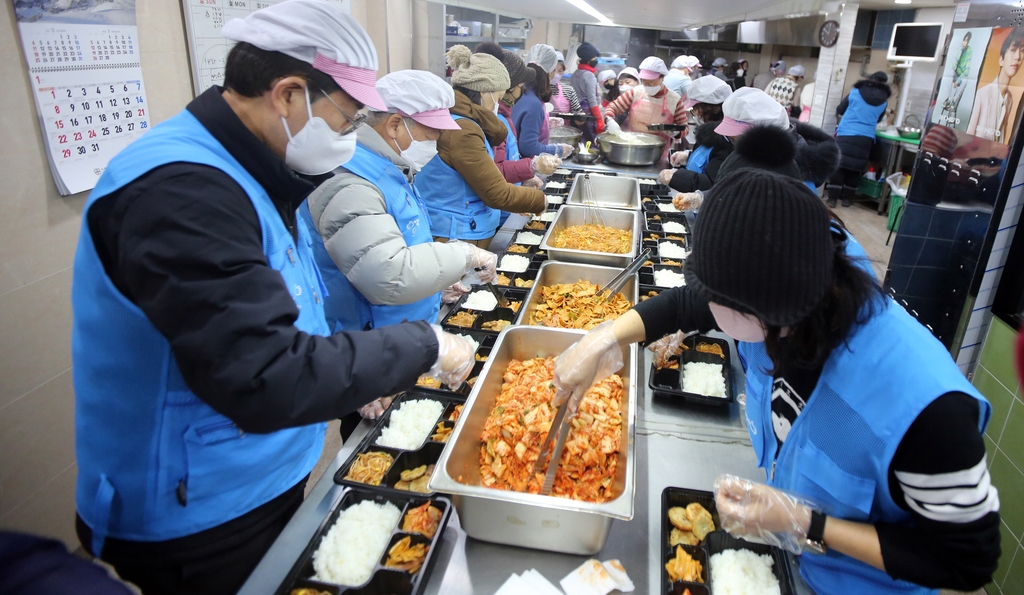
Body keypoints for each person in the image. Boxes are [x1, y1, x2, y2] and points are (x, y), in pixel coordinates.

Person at [69, 2, 476, 593]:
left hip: (256, 472)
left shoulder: (251, 167)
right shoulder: (182, 192)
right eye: (345, 121)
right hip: (196, 509)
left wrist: (353, 374)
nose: (348, 137)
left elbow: (288, 310)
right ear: (288, 94)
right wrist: (422, 344)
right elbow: (262, 372)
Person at [551, 169, 1001, 595]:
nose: (708, 307)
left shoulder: (926, 408)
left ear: (766, 310)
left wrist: (808, 522)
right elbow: (690, 303)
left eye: (719, 300)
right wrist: (604, 338)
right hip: (788, 560)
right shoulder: (785, 298)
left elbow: (967, 561)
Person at [300, 69, 498, 344]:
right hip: (364, 344)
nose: (436, 143)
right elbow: (387, 276)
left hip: (397, 334)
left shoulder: (390, 168)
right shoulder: (351, 184)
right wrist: (463, 255)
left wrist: (433, 286)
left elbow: (401, 244)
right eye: (431, 134)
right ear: (394, 125)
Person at [417, 45, 546, 247]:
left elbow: (485, 173)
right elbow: (496, 192)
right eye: (498, 97)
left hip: (468, 226)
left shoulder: (468, 122)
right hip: (455, 233)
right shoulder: (462, 129)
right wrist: (539, 200)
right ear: (484, 92)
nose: (498, 103)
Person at [674, 87, 838, 210]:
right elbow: (738, 193)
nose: (731, 140)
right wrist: (705, 197)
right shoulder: (758, 156)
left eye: (736, 136)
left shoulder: (792, 174)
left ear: (762, 136)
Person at [474, 42, 556, 188]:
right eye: (520, 86)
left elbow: (504, 163)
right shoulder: (493, 122)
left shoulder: (503, 117)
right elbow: (494, 172)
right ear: (507, 88)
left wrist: (522, 180)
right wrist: (531, 167)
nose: (522, 91)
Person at [658, 75, 733, 193]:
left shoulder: (726, 140)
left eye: (695, 109)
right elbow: (708, 160)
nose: (694, 114)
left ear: (710, 109)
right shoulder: (708, 132)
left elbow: (711, 183)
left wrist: (676, 176)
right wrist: (689, 156)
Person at [827, 71, 892, 207]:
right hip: (866, 138)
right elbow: (879, 119)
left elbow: (840, 109)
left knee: (839, 166)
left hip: (846, 133)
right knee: (855, 168)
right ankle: (847, 200)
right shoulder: (884, 102)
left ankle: (832, 199)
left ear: (869, 79)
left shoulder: (855, 93)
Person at [603, 57, 688, 157]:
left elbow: (684, 128)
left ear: (662, 78)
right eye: (644, 81)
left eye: (651, 81)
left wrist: (676, 133)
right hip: (631, 147)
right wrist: (609, 119)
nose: (647, 84)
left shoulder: (675, 100)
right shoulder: (635, 92)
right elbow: (613, 107)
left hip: (658, 152)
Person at [514, 44, 574, 159]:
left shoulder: (521, 91)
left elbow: (521, 125)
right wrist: (558, 149)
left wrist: (544, 122)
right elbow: (528, 147)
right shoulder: (534, 104)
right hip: (525, 167)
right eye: (555, 70)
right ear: (550, 72)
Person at [967, 28, 1024, 142]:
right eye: (1013, 49)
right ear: (1001, 60)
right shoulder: (982, 94)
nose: (1018, 57)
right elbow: (968, 135)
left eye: (1022, 51)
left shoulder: (1009, 99)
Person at [569, 42, 605, 139]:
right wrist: (599, 120)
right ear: (589, 60)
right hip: (587, 115)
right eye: (594, 57)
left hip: (576, 112)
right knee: (590, 142)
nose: (596, 60)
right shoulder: (589, 75)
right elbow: (592, 99)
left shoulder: (575, 73)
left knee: (579, 140)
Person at [942, 32, 973, 116]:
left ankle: (953, 101)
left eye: (967, 40)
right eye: (964, 40)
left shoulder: (970, 51)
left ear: (968, 42)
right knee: (951, 72)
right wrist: (960, 51)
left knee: (966, 80)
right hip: (956, 73)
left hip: (961, 76)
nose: (965, 42)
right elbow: (953, 66)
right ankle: (948, 99)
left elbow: (967, 71)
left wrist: (958, 80)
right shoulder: (960, 49)